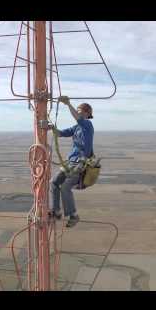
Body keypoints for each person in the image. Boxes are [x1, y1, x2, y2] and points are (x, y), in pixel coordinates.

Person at [48, 96, 94, 228]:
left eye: (80, 111)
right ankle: (55, 211)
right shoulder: (77, 127)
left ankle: (73, 215)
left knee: (66, 187)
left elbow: (77, 118)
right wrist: (52, 128)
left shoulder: (87, 125)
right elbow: (61, 133)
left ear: (87, 114)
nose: (78, 112)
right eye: (78, 110)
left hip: (81, 163)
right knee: (54, 182)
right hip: (71, 162)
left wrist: (68, 104)